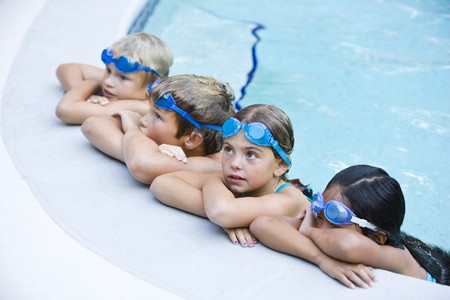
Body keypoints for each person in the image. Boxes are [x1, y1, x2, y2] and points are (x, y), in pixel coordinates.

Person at [250, 164, 450, 288]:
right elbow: (262, 223)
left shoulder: (394, 256)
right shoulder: (322, 224)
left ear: (377, 238)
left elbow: (347, 245)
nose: (321, 222)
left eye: (336, 218)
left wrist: (308, 230)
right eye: (321, 208)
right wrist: (322, 259)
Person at [150, 104, 311, 248]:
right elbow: (161, 184)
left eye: (251, 155)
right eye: (228, 150)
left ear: (280, 165)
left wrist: (213, 185)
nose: (235, 163)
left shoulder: (287, 200)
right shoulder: (233, 178)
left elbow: (222, 211)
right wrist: (230, 220)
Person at [81, 74, 236, 185]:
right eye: (149, 111)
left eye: (157, 116)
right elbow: (92, 124)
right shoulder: (172, 124)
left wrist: (133, 130)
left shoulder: (217, 164)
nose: (143, 120)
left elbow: (141, 164)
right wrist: (148, 150)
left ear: (192, 139)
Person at [55, 32, 173, 124]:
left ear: (151, 87)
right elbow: (67, 68)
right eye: (108, 70)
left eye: (122, 78)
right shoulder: (118, 78)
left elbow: (66, 110)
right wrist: (85, 94)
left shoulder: (142, 107)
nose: (107, 81)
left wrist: (91, 84)